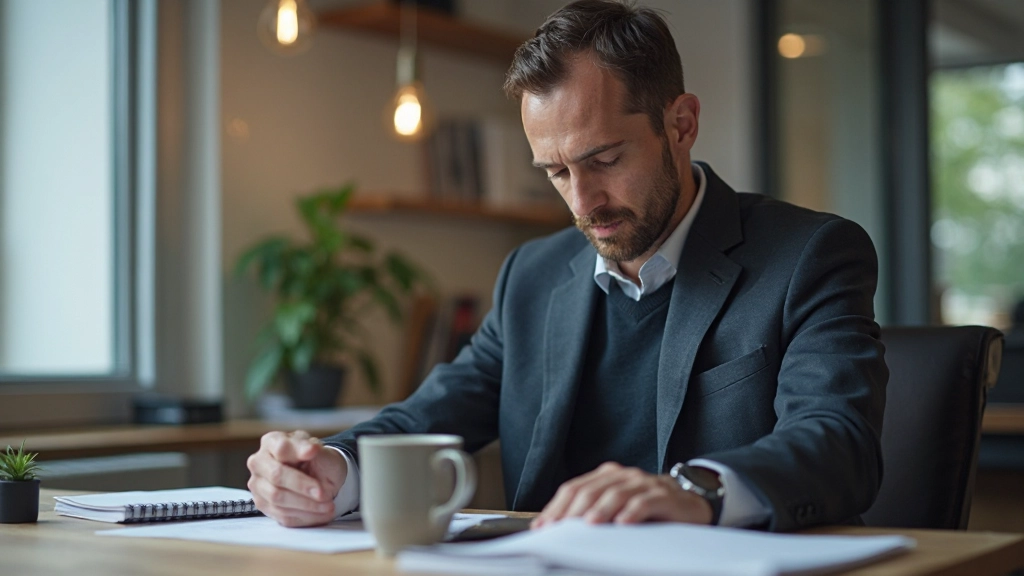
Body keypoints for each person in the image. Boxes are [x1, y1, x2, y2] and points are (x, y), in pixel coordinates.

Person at [246, 0, 888, 533]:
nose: (583, 203)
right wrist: (330, 468)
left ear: (681, 123)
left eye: (604, 160)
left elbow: (839, 442)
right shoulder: (531, 276)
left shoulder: (810, 254)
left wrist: (696, 490)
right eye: (555, 172)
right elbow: (428, 416)